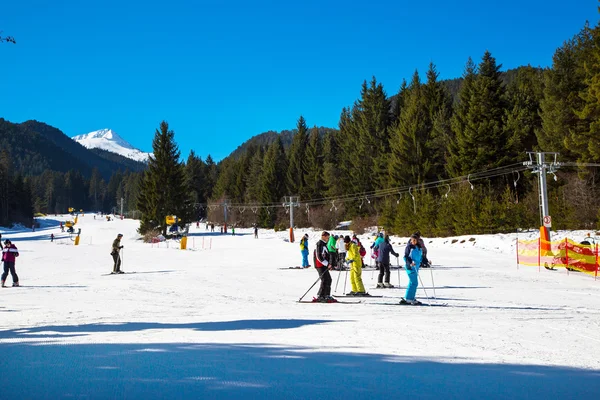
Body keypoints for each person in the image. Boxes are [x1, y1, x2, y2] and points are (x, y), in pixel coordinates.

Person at [313, 231, 336, 302]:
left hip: (324, 265)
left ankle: (326, 295)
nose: (328, 239)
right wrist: (327, 264)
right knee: (324, 279)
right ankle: (320, 295)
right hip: (319, 265)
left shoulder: (324, 244)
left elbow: (327, 254)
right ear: (323, 236)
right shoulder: (319, 244)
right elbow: (319, 256)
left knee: (328, 279)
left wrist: (330, 264)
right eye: (327, 237)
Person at [400, 234, 423, 305]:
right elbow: (406, 257)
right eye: (412, 240)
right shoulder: (409, 247)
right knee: (414, 283)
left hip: (416, 268)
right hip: (410, 267)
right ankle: (409, 298)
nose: (413, 241)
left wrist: (426, 261)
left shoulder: (419, 248)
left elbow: (421, 257)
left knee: (412, 282)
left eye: (415, 240)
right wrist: (410, 262)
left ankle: (410, 298)